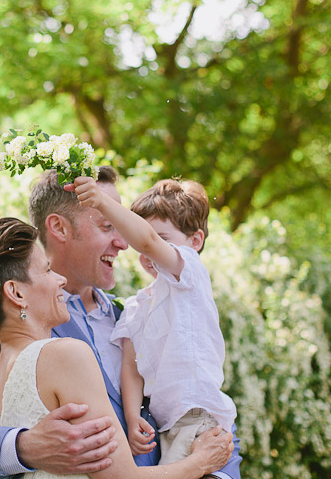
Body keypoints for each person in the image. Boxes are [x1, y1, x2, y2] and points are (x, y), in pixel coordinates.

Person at [0, 167, 242, 478]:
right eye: (108, 225)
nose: (124, 242)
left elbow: (203, 405)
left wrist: (214, 473)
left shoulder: (135, 314)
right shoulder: (1, 312)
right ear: (59, 228)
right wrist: (24, 447)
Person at [70, 176, 237, 466]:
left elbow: (145, 239)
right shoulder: (136, 306)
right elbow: (131, 367)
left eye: (162, 239)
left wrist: (100, 201)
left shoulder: (189, 276)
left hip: (198, 418)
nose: (146, 250)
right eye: (141, 242)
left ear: (194, 241)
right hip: (166, 427)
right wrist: (133, 417)